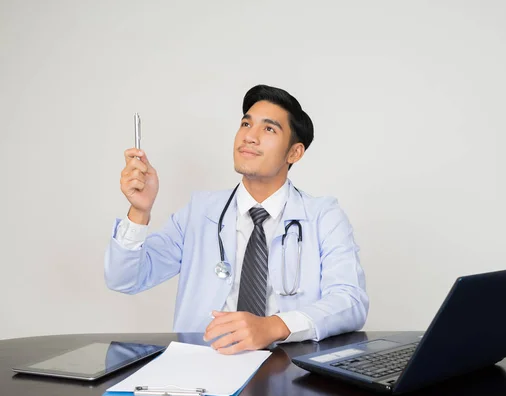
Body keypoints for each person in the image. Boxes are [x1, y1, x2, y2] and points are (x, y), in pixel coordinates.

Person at [105, 84, 369, 355]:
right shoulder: (200, 211)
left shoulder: (323, 216)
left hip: (288, 366)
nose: (250, 137)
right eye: (246, 124)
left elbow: (350, 301)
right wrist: (139, 211)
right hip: (203, 367)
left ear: (294, 153)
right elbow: (125, 279)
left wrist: (275, 326)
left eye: (269, 129)